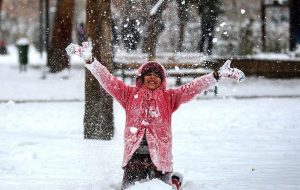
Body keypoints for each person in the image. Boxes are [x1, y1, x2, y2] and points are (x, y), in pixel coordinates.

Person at [65, 42, 245, 189]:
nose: (152, 78)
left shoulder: (169, 97)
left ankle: (174, 181)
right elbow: (108, 80)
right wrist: (90, 61)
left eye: (157, 75)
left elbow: (193, 87)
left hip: (159, 157)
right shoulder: (128, 94)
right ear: (141, 78)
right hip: (134, 157)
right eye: (148, 75)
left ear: (163, 80)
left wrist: (216, 76)